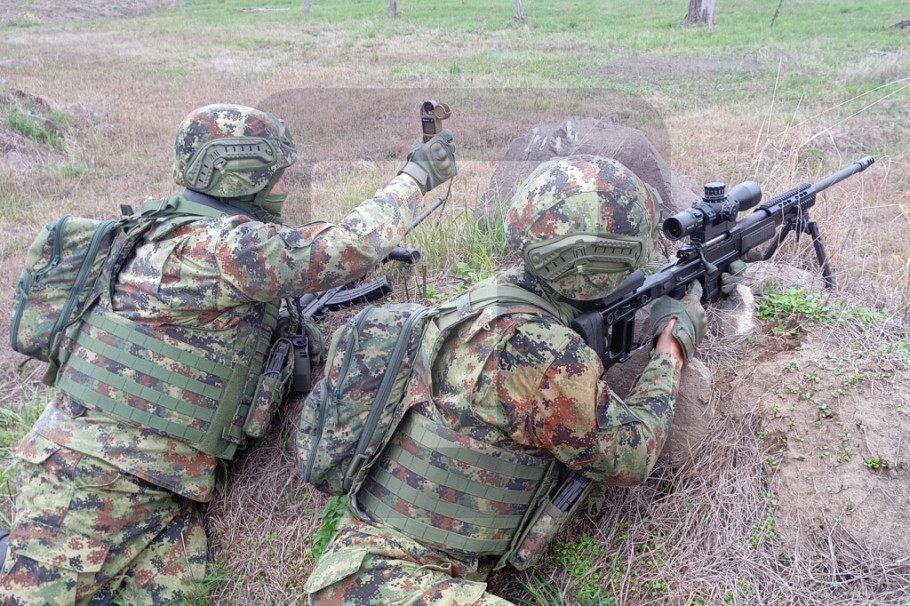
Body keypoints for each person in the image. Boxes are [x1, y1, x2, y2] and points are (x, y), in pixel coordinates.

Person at [0, 103, 457, 605]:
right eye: (277, 175)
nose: (285, 187)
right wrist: (416, 177)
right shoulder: (214, 248)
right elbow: (344, 248)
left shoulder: (176, 231)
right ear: (240, 175)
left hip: (166, 489)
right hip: (89, 480)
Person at [305, 154, 711, 605]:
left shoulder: (484, 300)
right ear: (601, 260)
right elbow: (632, 457)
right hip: (392, 584)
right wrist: (671, 348)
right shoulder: (543, 354)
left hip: (361, 567)